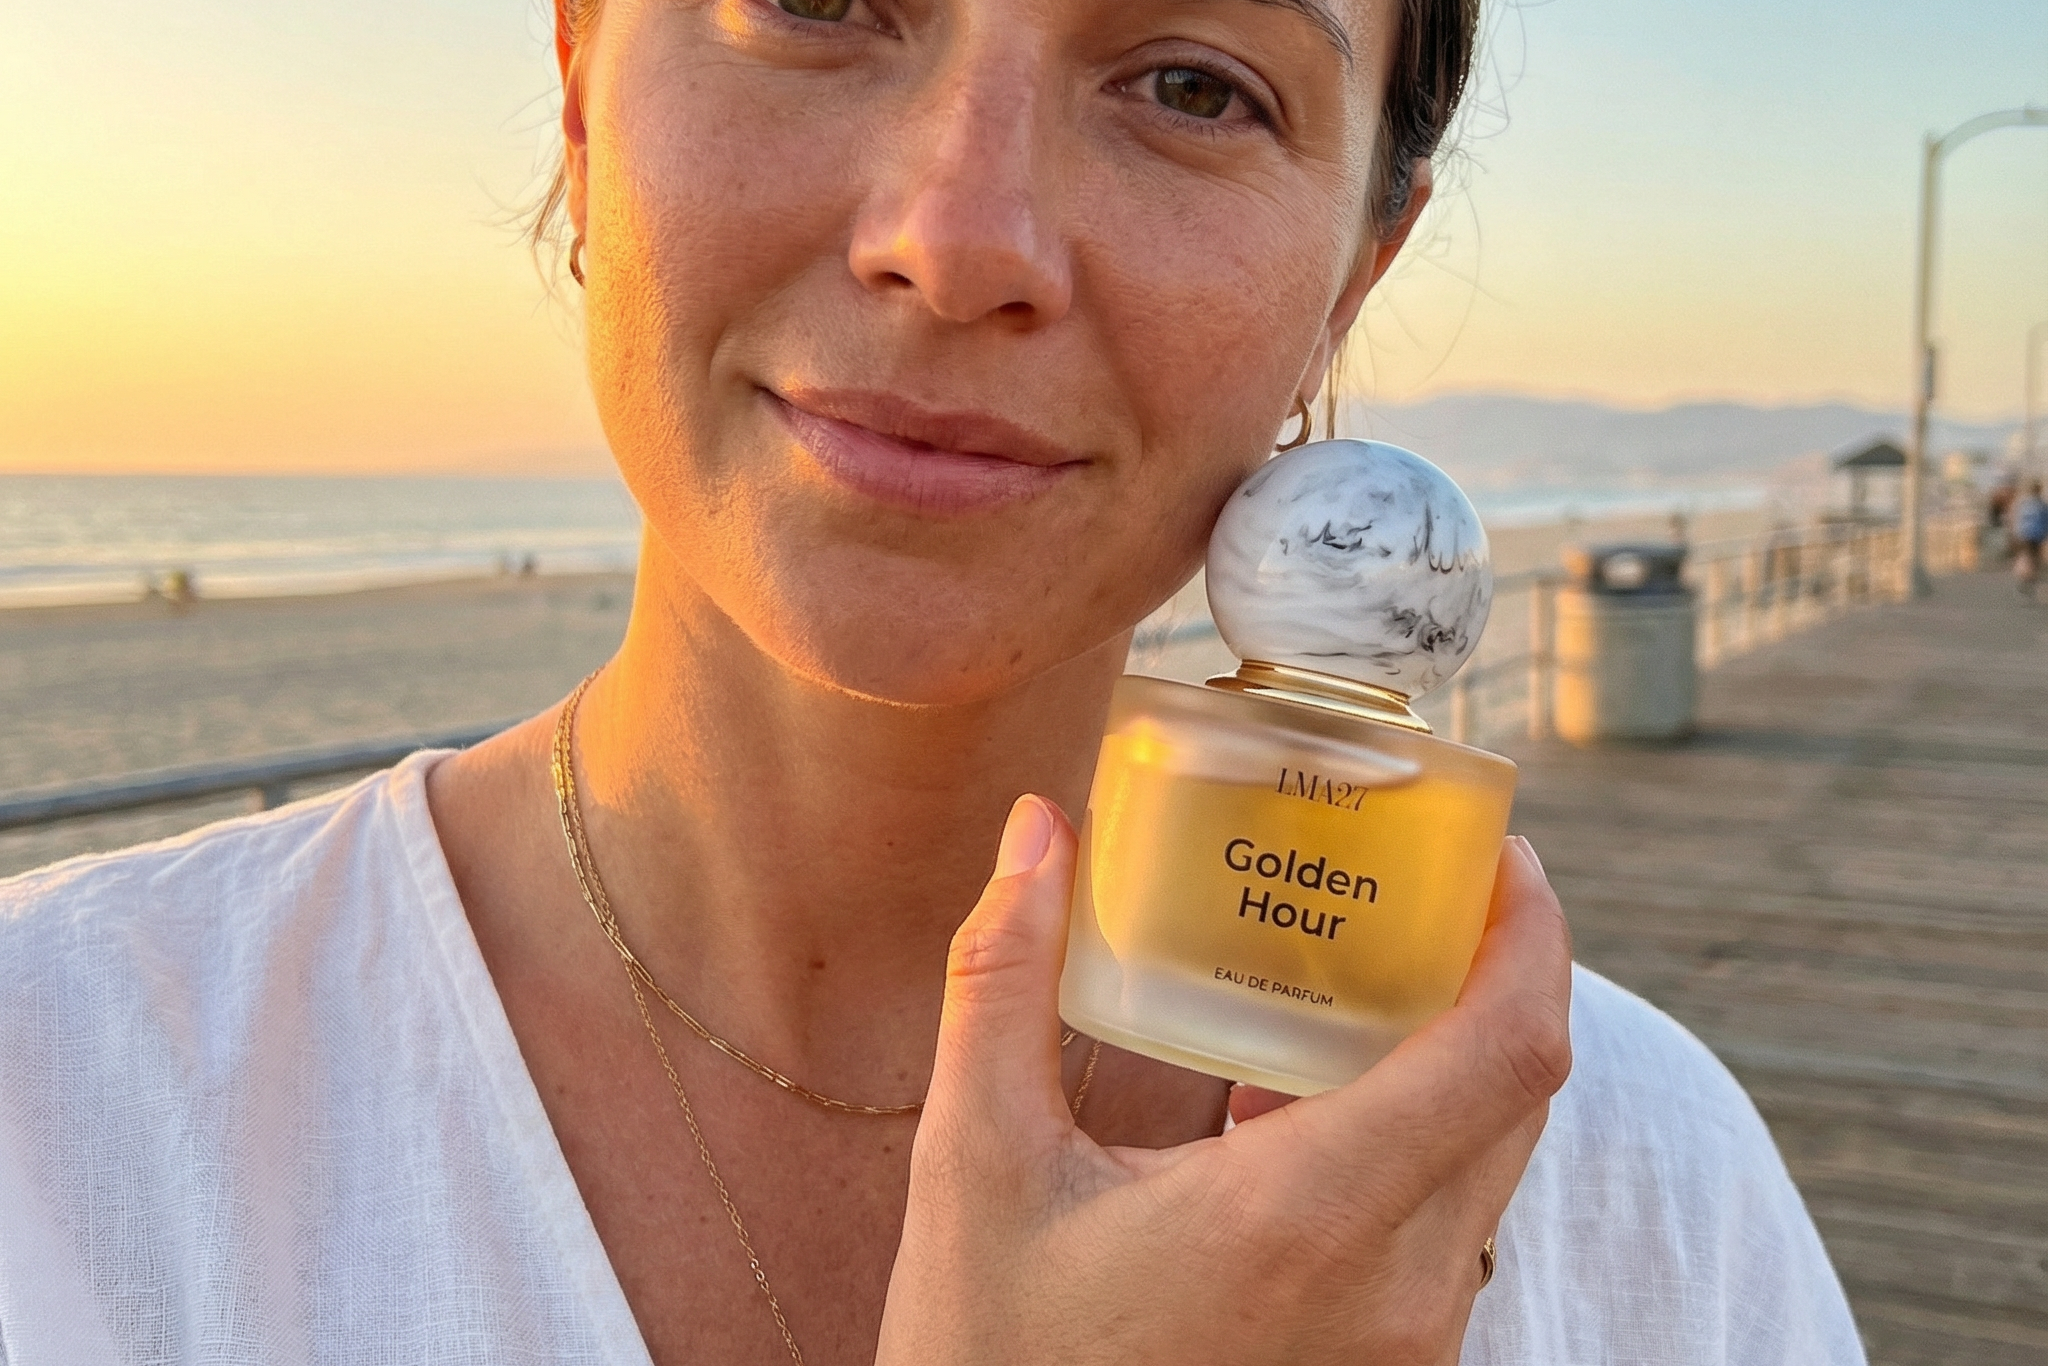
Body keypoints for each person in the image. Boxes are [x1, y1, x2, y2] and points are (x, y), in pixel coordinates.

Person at [0, 1, 1863, 1362]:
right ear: (581, 82)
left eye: (1194, 85)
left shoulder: (1633, 1189)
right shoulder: (61, 1097)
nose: (958, 237)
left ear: (1350, 275)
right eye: (818, 0)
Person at [2013, 480, 2047, 598]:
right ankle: (2030, 579)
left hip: (2025, 534)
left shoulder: (2024, 504)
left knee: (2027, 557)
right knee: (2035, 558)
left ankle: (2025, 579)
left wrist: (2017, 533)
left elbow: (2018, 519)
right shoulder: (2041, 504)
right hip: (2037, 535)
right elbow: (2045, 521)